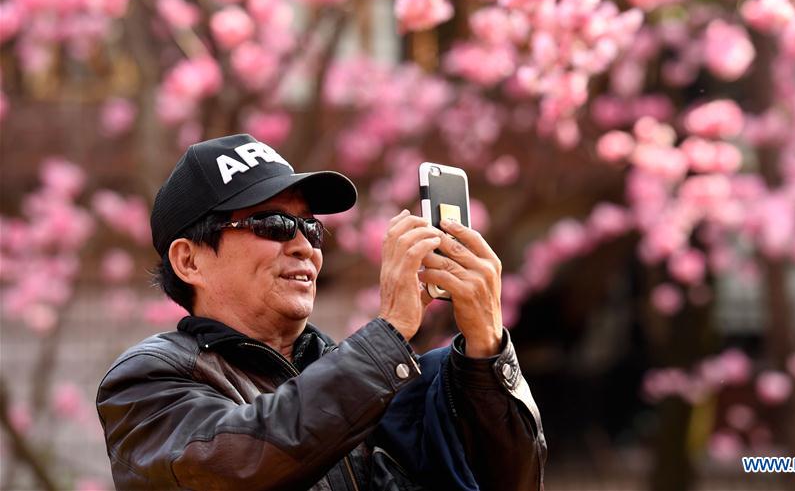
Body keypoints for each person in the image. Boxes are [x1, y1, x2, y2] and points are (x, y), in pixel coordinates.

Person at [96, 134, 546, 490]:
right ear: (189, 261)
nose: (303, 246)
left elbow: (511, 480)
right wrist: (389, 333)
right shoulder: (144, 382)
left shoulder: (374, 379)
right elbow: (237, 467)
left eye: (310, 227)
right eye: (271, 225)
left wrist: (487, 351)